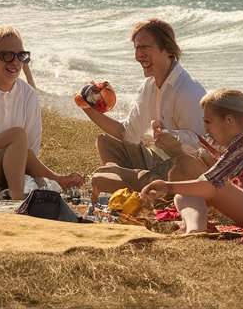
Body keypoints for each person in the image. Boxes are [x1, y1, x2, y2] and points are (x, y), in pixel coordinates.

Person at [0, 26, 83, 199]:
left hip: (9, 168)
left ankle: (56, 181)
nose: (15, 62)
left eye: (21, 56)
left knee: (21, 144)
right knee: (18, 135)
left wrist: (48, 175)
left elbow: (29, 150)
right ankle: (17, 197)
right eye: (7, 55)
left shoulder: (28, 95)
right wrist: (11, 142)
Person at [140, 89, 243, 233]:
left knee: (213, 185)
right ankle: (194, 231)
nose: (205, 128)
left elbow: (210, 184)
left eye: (207, 122)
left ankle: (196, 229)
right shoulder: (241, 142)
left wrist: (166, 187)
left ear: (228, 120)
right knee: (185, 194)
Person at [83, 18, 207, 196]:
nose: (138, 55)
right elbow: (128, 134)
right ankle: (127, 186)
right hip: (155, 160)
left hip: (180, 173)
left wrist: (174, 139)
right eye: (136, 48)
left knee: (101, 178)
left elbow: (204, 152)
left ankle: (132, 186)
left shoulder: (188, 90)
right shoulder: (149, 86)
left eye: (144, 47)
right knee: (105, 142)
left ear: (169, 51)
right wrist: (88, 108)